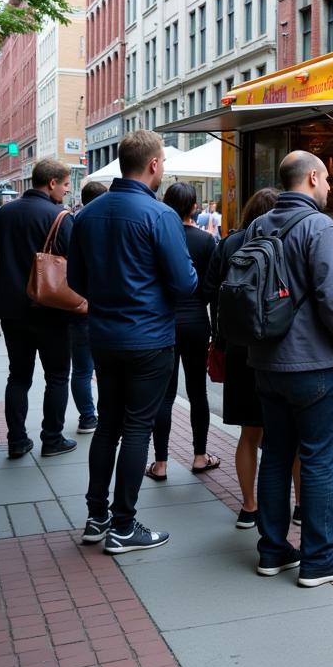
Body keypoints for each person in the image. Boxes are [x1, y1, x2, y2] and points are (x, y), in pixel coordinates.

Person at [67, 131, 197, 553]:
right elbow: (184, 282)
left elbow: (76, 282)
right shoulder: (159, 217)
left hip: (103, 336)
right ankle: (124, 525)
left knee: (108, 425)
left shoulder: (87, 214)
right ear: (154, 165)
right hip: (148, 337)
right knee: (137, 427)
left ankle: (96, 517)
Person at [248, 150, 333, 587]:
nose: (331, 186)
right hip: (314, 364)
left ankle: (272, 551)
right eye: (328, 179)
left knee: (276, 455)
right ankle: (318, 560)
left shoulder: (260, 224)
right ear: (312, 178)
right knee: (317, 460)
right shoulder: (320, 226)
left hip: (267, 362)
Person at [205, 186, 279, 527]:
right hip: (276, 350)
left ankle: (249, 507)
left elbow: (210, 293)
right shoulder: (282, 243)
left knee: (249, 435)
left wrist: (218, 338)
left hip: (237, 349)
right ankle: (295, 507)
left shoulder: (229, 243)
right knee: (287, 435)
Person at [0, 159, 78, 458]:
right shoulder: (60, 217)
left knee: (18, 376)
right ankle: (52, 438)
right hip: (50, 310)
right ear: (52, 183)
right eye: (66, 184)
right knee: (57, 375)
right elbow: (77, 264)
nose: (67, 191)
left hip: (12, 310)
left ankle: (17, 440)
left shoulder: (4, 214)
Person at [147, 182, 219, 481]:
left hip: (165, 321)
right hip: (196, 323)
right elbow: (213, 290)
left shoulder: (159, 237)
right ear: (194, 207)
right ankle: (200, 456)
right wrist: (215, 330)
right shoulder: (205, 241)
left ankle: (161, 463)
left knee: (164, 395)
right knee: (197, 391)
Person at [69, 180, 108, 435]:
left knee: (81, 368)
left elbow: (72, 271)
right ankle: (106, 414)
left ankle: (87, 417)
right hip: (103, 308)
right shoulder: (105, 224)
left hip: (77, 306)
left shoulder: (74, 222)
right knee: (104, 368)